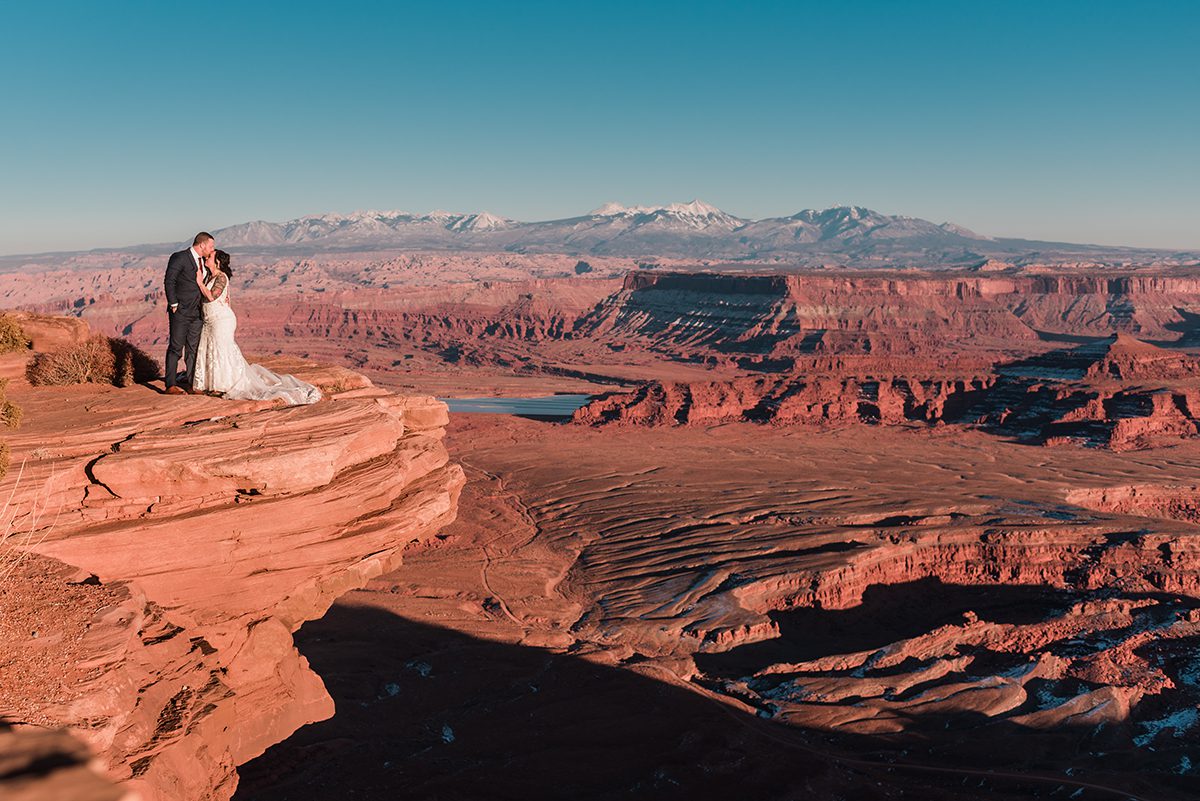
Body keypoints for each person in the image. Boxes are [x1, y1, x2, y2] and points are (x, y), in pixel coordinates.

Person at [192, 249, 322, 405]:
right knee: (213, 348)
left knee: (222, 349)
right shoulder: (211, 276)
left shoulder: (221, 277)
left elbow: (213, 295)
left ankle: (224, 384)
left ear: (218, 262)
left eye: (210, 256)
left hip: (221, 321)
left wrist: (199, 283)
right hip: (212, 320)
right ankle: (214, 384)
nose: (207, 257)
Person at [163, 232, 215, 394]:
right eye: (211, 246)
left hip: (197, 312)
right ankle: (170, 384)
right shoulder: (180, 257)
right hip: (181, 311)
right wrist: (173, 304)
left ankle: (192, 384)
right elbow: (169, 280)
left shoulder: (203, 262)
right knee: (176, 347)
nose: (212, 249)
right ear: (202, 245)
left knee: (193, 348)